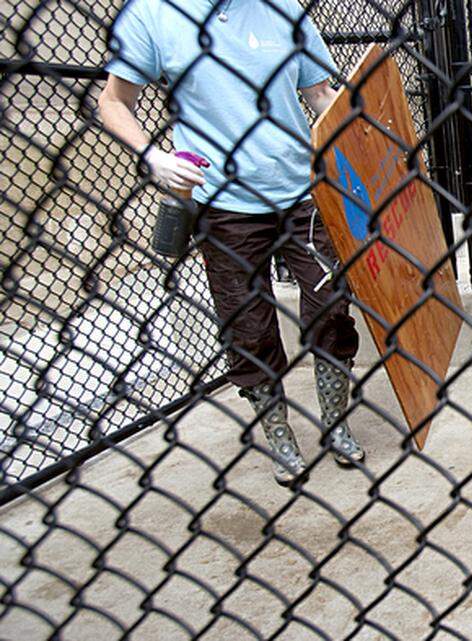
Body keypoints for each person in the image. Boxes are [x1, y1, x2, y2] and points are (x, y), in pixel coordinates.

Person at [99, 0, 365, 486]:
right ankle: (280, 436)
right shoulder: (154, 14)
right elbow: (114, 100)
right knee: (248, 322)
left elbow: (322, 95)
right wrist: (150, 156)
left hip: (302, 189)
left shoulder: (285, 10)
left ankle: (336, 422)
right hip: (223, 202)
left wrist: (365, 134)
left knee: (331, 302)